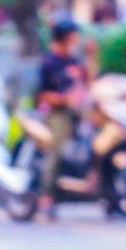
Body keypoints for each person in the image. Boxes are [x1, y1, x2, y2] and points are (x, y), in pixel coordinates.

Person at [35, 20, 89, 217]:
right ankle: (46, 195)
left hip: (79, 111)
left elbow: (87, 83)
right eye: (73, 35)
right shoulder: (49, 62)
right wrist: (64, 99)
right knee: (56, 150)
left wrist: (93, 56)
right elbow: (41, 94)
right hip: (58, 113)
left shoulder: (73, 61)